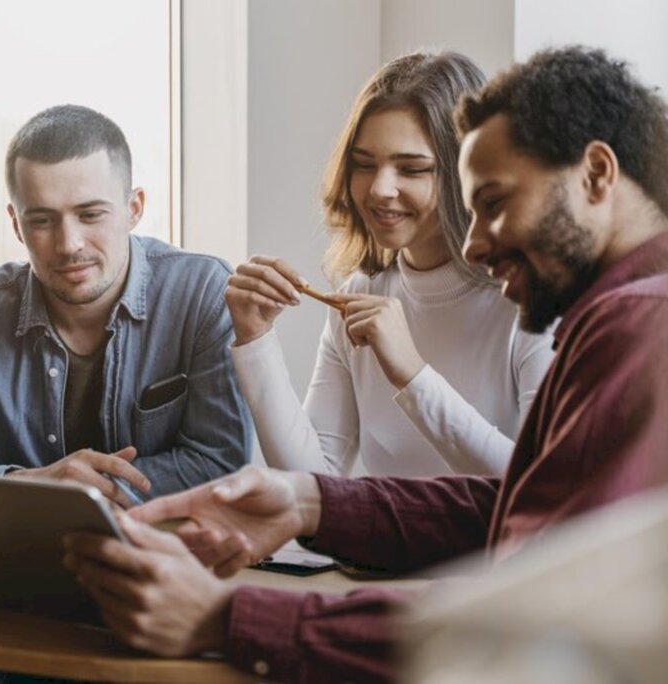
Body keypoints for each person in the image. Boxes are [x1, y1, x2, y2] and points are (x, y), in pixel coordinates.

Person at [63, 46, 668, 683]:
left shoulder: (635, 321)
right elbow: (518, 507)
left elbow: (538, 602)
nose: (475, 240)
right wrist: (311, 502)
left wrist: (231, 617)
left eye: (492, 202)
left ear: (598, 174)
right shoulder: (609, 312)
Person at [226, 52, 554, 477]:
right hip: (386, 545)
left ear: (466, 175)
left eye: (411, 169)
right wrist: (256, 341)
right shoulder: (358, 296)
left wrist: (413, 375)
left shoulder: (532, 303)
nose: (379, 189)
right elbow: (312, 482)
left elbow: (537, 489)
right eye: (364, 165)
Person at [0, 104, 252, 505]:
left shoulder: (203, 292)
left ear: (134, 208)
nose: (69, 244)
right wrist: (45, 483)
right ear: (15, 223)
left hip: (172, 554)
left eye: (91, 214)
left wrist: (74, 489)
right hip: (14, 559)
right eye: (42, 221)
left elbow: (222, 465)